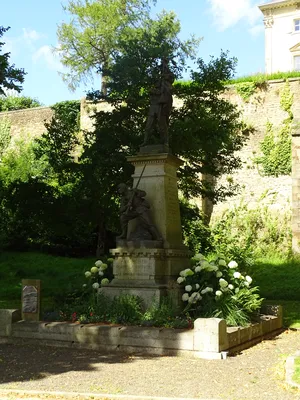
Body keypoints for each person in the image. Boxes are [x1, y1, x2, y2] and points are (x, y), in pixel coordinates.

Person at [142, 59, 175, 146]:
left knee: (162, 126)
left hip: (160, 106)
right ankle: (145, 142)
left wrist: (165, 69)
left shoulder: (165, 88)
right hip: (153, 108)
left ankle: (165, 142)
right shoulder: (153, 89)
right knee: (148, 126)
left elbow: (170, 79)